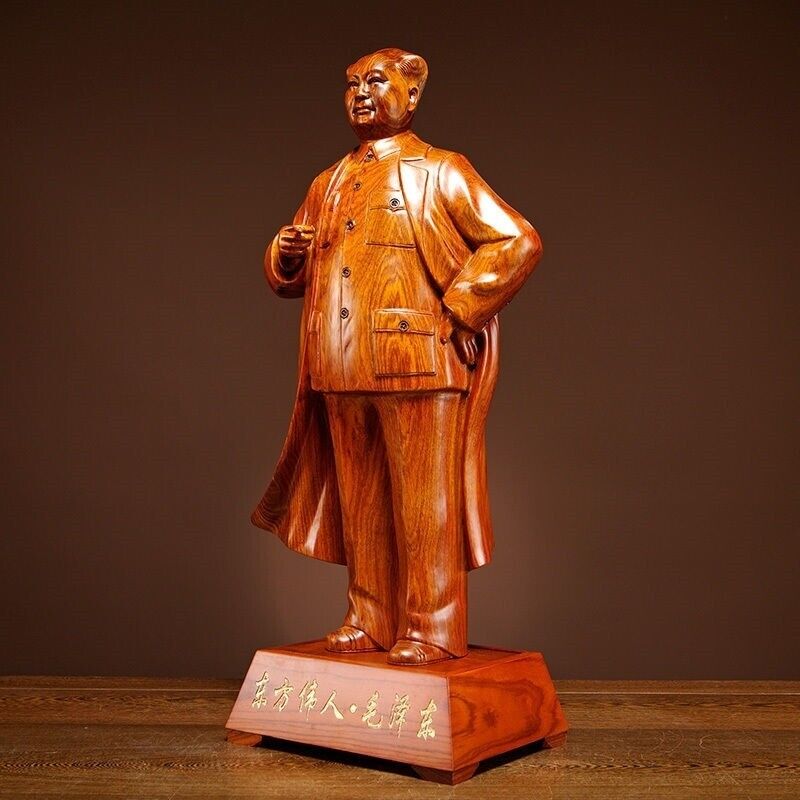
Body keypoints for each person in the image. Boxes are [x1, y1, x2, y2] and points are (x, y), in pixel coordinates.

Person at [252, 47, 542, 665]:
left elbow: (517, 240)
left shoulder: (439, 170)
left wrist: (461, 308)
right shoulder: (327, 182)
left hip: (418, 359)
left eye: (376, 81)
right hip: (340, 362)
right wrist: (285, 254)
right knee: (361, 503)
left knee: (424, 504)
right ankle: (370, 617)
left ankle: (432, 627)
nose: (360, 92)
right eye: (351, 83)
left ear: (411, 95)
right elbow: (290, 275)